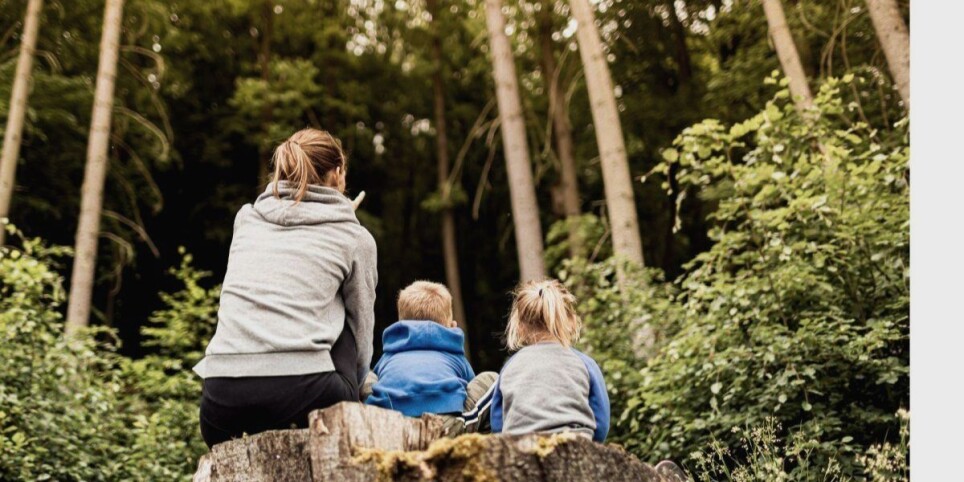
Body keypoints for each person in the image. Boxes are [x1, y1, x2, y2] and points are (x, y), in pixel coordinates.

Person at [193, 128, 377, 448]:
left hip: (220, 402)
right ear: (337, 174)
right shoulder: (354, 237)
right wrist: (362, 385)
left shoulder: (247, 219)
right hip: (305, 395)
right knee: (344, 315)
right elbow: (361, 326)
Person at [366, 281, 496, 435]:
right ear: (452, 326)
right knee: (492, 379)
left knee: (366, 375)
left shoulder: (390, 354)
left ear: (400, 326)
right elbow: (467, 391)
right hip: (443, 427)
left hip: (391, 424)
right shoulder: (453, 353)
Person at [488, 279, 610, 442]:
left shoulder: (511, 366)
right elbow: (601, 422)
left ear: (520, 327)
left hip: (521, 452)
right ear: (571, 321)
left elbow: (497, 422)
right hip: (576, 449)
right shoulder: (584, 363)